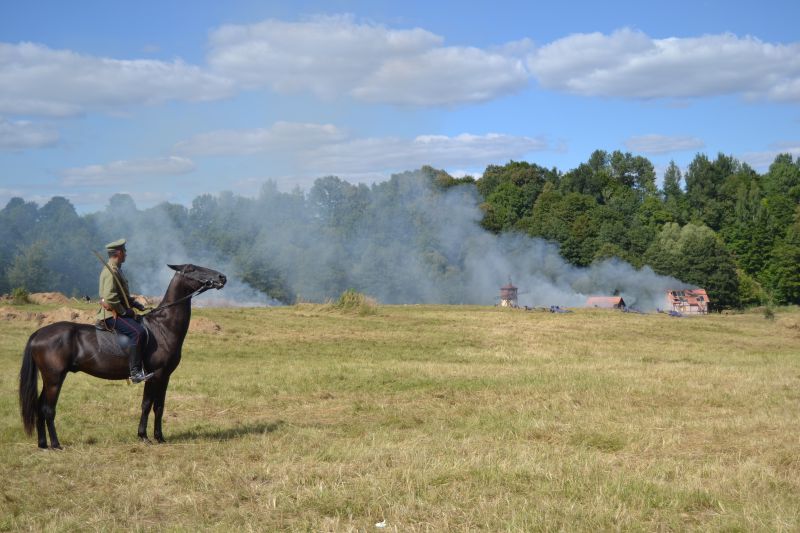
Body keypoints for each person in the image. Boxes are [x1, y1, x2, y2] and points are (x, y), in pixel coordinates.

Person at [97, 238, 153, 383]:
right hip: (111, 314)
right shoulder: (111, 271)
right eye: (125, 252)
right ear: (119, 253)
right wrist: (125, 312)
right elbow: (109, 297)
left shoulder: (117, 269)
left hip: (117, 310)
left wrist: (135, 304)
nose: (126, 254)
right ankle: (135, 372)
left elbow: (121, 295)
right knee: (138, 332)